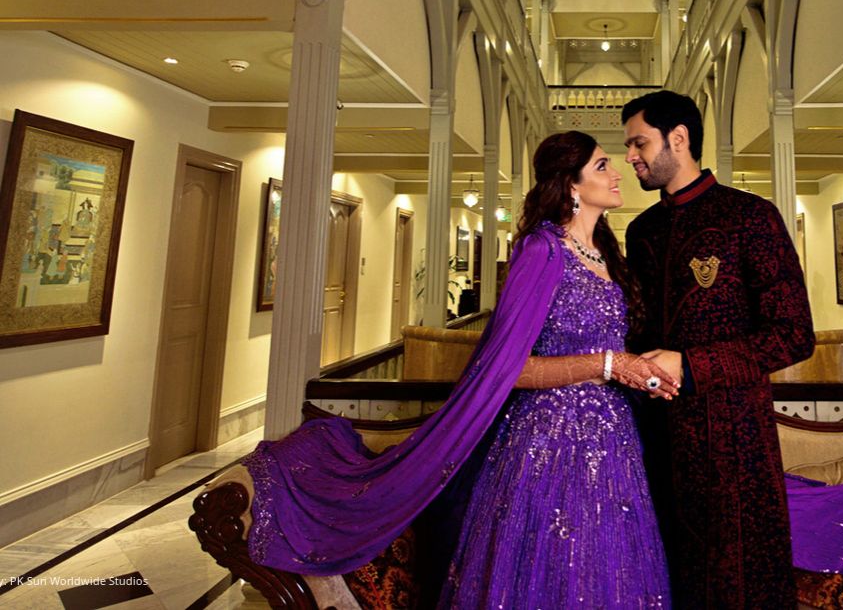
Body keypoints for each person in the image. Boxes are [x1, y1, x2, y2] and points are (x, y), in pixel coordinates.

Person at [244, 130, 676, 609]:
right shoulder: (543, 249)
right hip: (551, 440)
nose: (617, 173)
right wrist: (610, 364)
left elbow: (616, 344)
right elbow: (509, 369)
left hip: (613, 437)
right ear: (570, 185)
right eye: (601, 166)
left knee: (612, 563)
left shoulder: (609, 254)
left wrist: (643, 370)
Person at [622, 90, 816, 609]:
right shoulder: (641, 231)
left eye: (639, 142)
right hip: (654, 437)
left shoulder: (750, 217)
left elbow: (794, 333)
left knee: (737, 581)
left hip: (733, 441)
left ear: (678, 139)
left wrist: (692, 364)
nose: (630, 156)